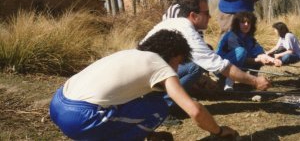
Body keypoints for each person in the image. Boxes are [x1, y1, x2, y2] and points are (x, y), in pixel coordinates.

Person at [49, 30, 238, 140]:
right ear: (173, 55)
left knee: (151, 98)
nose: (177, 67)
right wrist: (220, 131)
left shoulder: (130, 54)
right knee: (160, 107)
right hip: (79, 117)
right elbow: (194, 111)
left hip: (58, 103)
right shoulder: (159, 65)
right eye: (179, 62)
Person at [142, 0, 271, 105]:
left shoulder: (174, 23)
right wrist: (254, 81)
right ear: (193, 15)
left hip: (149, 71)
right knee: (196, 67)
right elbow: (220, 66)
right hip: (147, 76)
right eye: (206, 13)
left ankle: (165, 100)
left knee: (193, 65)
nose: (210, 17)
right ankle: (166, 104)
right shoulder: (187, 31)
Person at [216, 12, 275, 91]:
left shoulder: (250, 39)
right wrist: (258, 59)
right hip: (221, 69)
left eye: (248, 22)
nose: (246, 24)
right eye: (243, 22)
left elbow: (259, 52)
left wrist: (271, 59)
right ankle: (229, 81)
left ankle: (251, 81)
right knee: (241, 51)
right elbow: (241, 57)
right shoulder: (231, 36)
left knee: (259, 57)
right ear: (237, 24)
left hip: (238, 66)